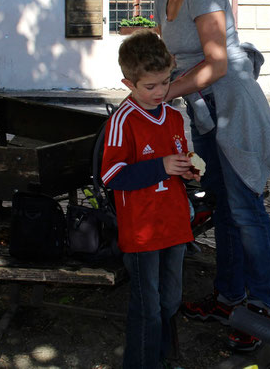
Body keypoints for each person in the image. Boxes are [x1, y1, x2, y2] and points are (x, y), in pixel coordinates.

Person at [144, 0, 270, 352]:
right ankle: (230, 298)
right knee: (223, 207)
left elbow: (217, 63)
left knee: (246, 210)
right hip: (204, 111)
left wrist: (166, 93)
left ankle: (264, 310)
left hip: (233, 106)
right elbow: (169, 60)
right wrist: (145, 84)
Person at [100, 30, 199, 369]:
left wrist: (188, 170)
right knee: (147, 308)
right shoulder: (122, 120)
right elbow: (111, 175)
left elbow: (177, 157)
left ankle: (161, 358)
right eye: (151, 86)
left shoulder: (173, 116)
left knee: (170, 300)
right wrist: (161, 167)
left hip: (174, 225)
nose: (161, 93)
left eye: (166, 83)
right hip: (142, 232)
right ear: (129, 84)